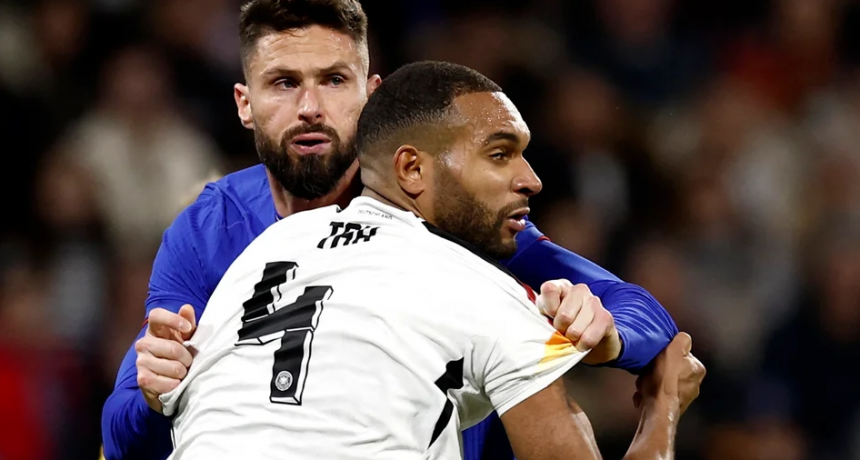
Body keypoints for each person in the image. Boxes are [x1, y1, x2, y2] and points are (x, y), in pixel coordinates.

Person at [101, 1, 679, 459]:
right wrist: (154, 396)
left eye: (334, 80)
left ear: (371, 96)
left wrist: (606, 332)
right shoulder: (209, 229)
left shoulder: (442, 209)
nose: (309, 107)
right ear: (244, 103)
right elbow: (119, 437)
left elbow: (641, 312)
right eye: (283, 83)